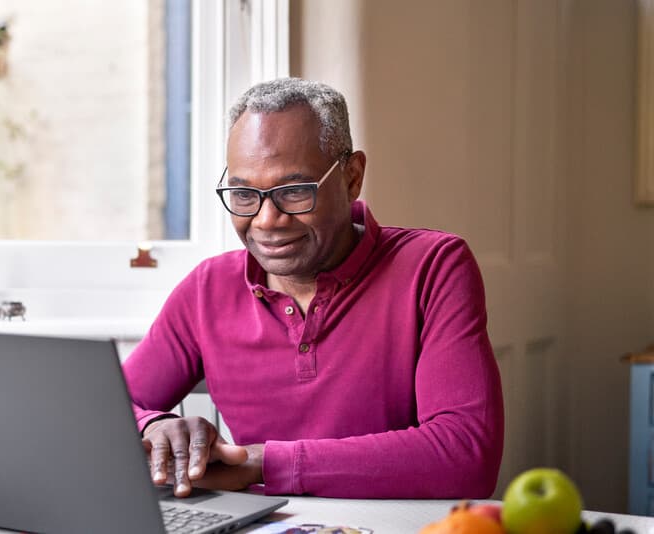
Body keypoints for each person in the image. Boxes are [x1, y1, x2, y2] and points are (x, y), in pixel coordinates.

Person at [122, 78, 504, 499]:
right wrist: (156, 427)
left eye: (293, 192)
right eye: (244, 194)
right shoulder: (207, 289)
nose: (266, 220)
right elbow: (106, 408)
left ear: (352, 177)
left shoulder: (433, 266)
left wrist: (263, 463)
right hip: (262, 525)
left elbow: (467, 455)